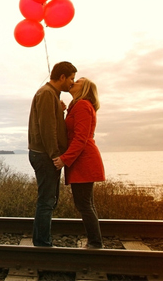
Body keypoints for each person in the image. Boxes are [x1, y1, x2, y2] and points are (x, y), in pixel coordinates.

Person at [28, 61, 77, 247]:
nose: (72, 83)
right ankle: (42, 244)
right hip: (45, 155)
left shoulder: (51, 95)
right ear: (62, 77)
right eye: (71, 79)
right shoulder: (47, 93)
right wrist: (56, 155)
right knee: (47, 201)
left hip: (44, 154)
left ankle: (41, 240)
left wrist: (59, 108)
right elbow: (47, 128)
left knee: (48, 200)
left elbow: (50, 120)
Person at [53, 77, 105, 249]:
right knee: (85, 203)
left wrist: (64, 159)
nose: (73, 82)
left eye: (78, 82)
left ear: (85, 88)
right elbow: (72, 131)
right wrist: (62, 112)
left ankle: (95, 243)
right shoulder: (77, 106)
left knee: (84, 204)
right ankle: (95, 241)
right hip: (82, 159)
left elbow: (80, 138)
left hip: (84, 160)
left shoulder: (83, 105)